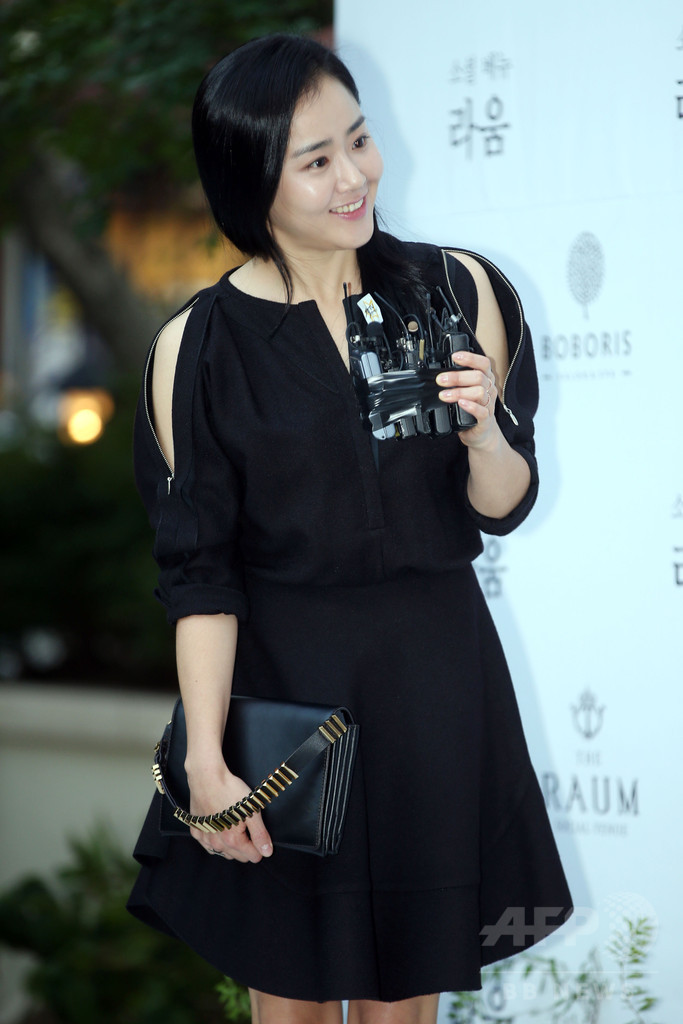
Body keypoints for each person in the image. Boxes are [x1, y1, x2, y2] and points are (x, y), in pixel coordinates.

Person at [128, 33, 572, 1024]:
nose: (353, 178)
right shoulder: (195, 348)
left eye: (359, 141)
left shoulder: (457, 289)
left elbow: (502, 502)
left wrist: (483, 434)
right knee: (287, 1001)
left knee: (401, 1002)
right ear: (251, 181)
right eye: (315, 161)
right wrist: (206, 761)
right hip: (283, 697)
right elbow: (199, 577)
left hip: (432, 683)